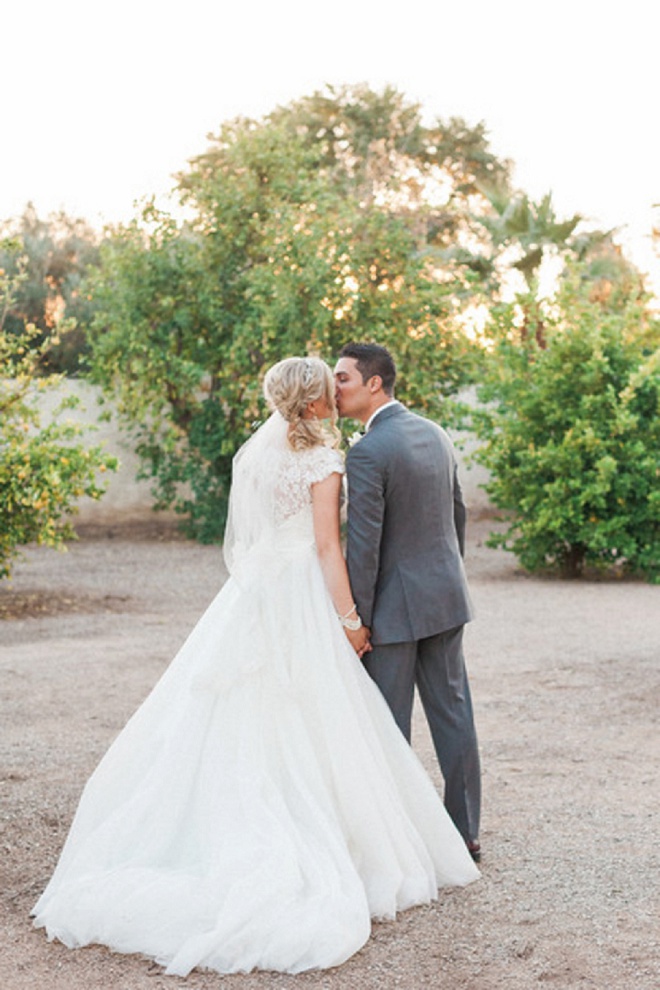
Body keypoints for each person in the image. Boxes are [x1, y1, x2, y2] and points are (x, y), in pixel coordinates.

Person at [32, 356, 479, 977]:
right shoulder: (348, 454)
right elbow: (330, 545)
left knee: (250, 712)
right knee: (363, 713)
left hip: (255, 595)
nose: (338, 390)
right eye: (332, 384)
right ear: (318, 399)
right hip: (338, 593)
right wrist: (351, 621)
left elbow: (262, 540)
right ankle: (415, 833)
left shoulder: (257, 456)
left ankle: (234, 831)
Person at [334, 342, 482, 862]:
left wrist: (356, 620)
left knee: (388, 725)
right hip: (445, 597)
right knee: (454, 716)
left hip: (393, 612)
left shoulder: (368, 451)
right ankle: (464, 833)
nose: (335, 387)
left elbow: (363, 544)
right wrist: (447, 576)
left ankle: (398, 839)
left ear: (375, 383)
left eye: (343, 378)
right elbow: (458, 513)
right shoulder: (435, 433)